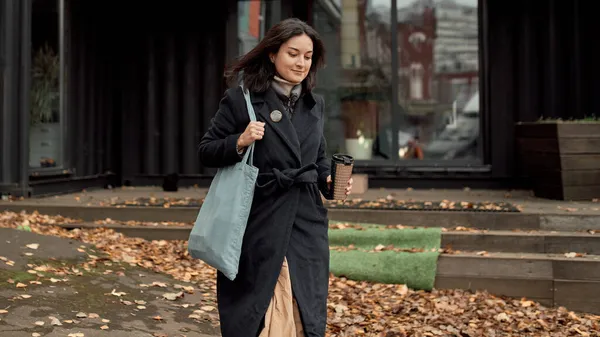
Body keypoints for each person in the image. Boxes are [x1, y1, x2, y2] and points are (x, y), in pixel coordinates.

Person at [197, 18, 353, 337]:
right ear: (272, 54)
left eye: (307, 57)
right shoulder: (242, 100)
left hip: (306, 218)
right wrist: (238, 142)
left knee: (304, 301)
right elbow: (206, 150)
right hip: (259, 218)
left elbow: (318, 157)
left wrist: (329, 180)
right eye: (293, 53)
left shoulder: (314, 104)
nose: (300, 63)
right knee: (258, 303)